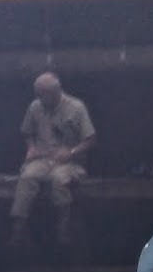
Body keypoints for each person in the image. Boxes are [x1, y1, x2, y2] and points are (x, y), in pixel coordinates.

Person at [9, 72, 96, 247]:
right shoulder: (35, 107)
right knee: (27, 177)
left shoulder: (76, 107)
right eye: (38, 94)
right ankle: (19, 230)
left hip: (69, 162)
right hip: (42, 159)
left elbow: (90, 139)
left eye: (43, 94)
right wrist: (31, 147)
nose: (40, 98)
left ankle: (63, 229)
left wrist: (71, 152)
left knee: (58, 180)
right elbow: (27, 132)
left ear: (54, 92)